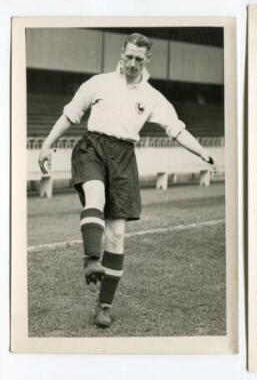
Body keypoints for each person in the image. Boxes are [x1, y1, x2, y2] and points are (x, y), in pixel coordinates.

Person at [37, 32, 215, 328]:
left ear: (148, 60)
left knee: (117, 235)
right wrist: (46, 145)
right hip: (93, 148)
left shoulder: (152, 97)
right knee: (95, 196)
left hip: (123, 158)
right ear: (122, 53)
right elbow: (71, 114)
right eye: (128, 56)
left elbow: (177, 130)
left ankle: (104, 306)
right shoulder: (99, 83)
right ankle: (92, 258)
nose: (132, 63)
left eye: (138, 59)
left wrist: (202, 152)